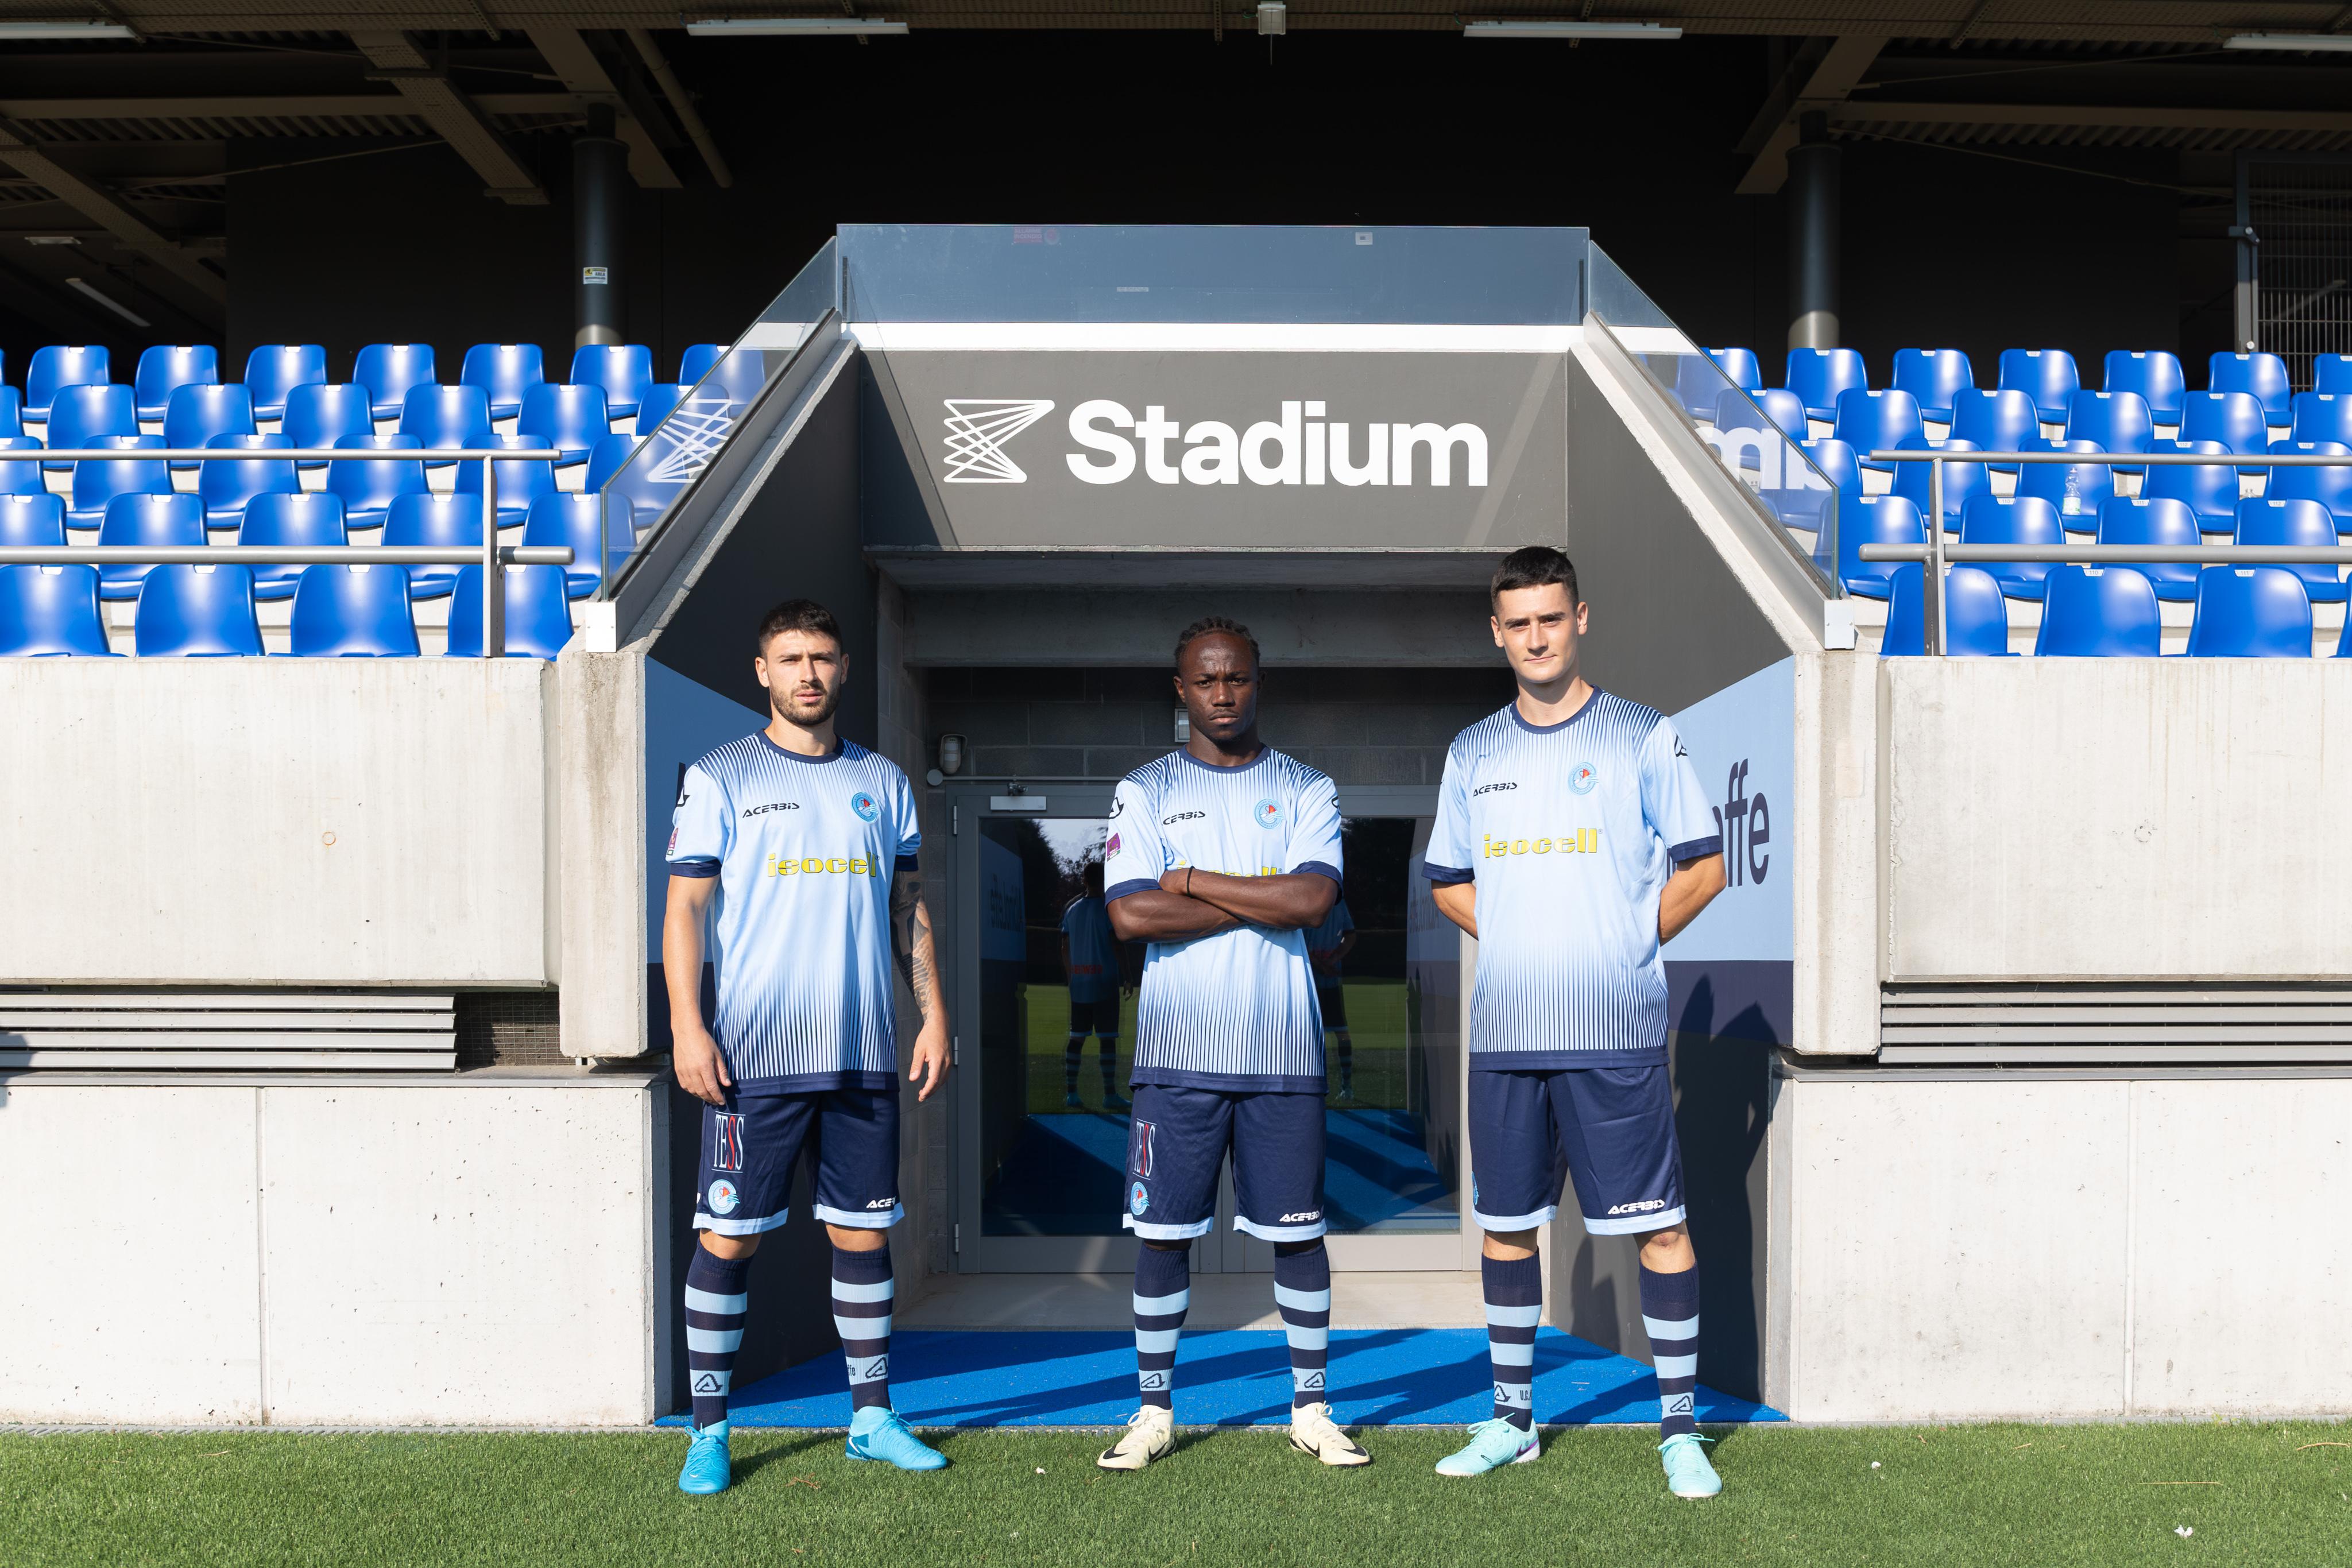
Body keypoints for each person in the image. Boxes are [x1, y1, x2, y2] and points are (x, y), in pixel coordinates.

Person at [1421, 547, 1728, 1499]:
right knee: (1507, 1230)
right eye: (1518, 623)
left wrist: (1624, 939)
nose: (1536, 637)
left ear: (1581, 618)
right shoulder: (1473, 750)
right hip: (1507, 1038)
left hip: (1615, 1033)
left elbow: (1704, 867)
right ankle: (1513, 1421)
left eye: (1550, 618)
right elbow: (1449, 883)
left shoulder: (1642, 734)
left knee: (1659, 1229)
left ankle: (1679, 1430)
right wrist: (1523, 934)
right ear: (1496, 632)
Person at [662, 598, 954, 1495]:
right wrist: (686, 1025)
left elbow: (907, 906)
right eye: (790, 659)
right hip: (752, 1056)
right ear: (763, 671)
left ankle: (871, 1418)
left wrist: (934, 1012)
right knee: (728, 1238)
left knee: (861, 1235)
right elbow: (685, 909)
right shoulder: (721, 775)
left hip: (861, 1052)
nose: (809, 673)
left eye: (822, 657)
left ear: (844, 666)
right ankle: (709, 1431)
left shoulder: (884, 781)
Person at [1094, 615, 1371, 1473]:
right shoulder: (1144, 789)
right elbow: (1130, 913)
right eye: (1206, 679)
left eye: (1237, 677)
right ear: (1181, 689)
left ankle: (1311, 1409)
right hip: (1175, 1060)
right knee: (1161, 1236)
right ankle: (1153, 1411)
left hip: (1283, 1057)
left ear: (1259, 682)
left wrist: (1188, 880)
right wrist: (1259, 896)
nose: (1223, 692)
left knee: (1298, 1236)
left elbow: (1313, 901)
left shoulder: (1306, 787)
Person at [1060, 860, 1128, 1110]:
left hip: (1080, 984)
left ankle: (1072, 1094)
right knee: (1107, 1039)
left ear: (1084, 880)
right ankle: (1110, 1095)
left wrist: (1071, 978)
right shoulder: (1108, 910)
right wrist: (1128, 975)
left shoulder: (1072, 910)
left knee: (1077, 1038)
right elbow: (1116, 944)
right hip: (1105, 983)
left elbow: (1064, 947)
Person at [1302, 896, 1357, 1100]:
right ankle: (1315, 1085)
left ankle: (1346, 1085)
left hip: (1328, 982)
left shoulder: (1338, 902)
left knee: (1340, 1033)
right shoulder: (1309, 899)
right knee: (1311, 1035)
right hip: (1309, 981)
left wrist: (1331, 961)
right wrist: (1323, 964)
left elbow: (1350, 935)